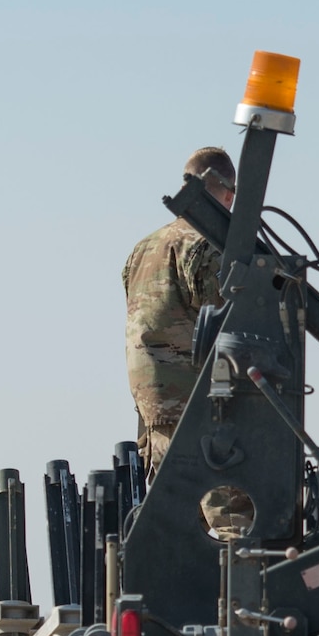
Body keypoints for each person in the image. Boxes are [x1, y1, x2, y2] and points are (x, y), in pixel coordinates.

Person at [124, 147, 236, 473]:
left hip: (154, 415)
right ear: (229, 194)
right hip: (198, 415)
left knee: (177, 520)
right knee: (236, 520)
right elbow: (230, 326)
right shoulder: (205, 245)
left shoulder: (142, 250)